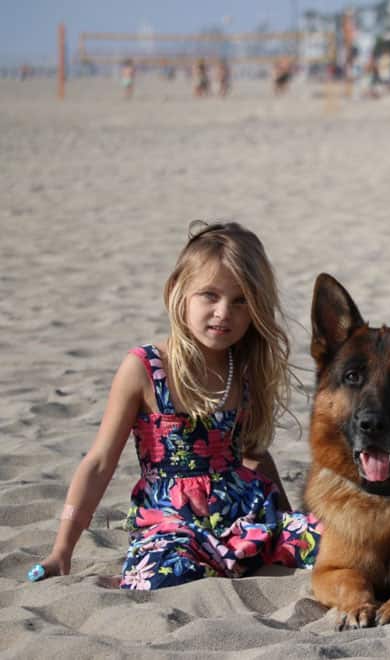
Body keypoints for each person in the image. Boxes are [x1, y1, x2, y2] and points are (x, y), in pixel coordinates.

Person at [27, 221, 321, 590]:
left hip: (245, 514)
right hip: (173, 522)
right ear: (178, 293)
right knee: (170, 575)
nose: (223, 312)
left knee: (327, 541)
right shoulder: (144, 368)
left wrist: (288, 524)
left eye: (240, 300)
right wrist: (62, 550)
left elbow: (254, 452)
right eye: (209, 295)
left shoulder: (243, 367)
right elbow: (99, 463)